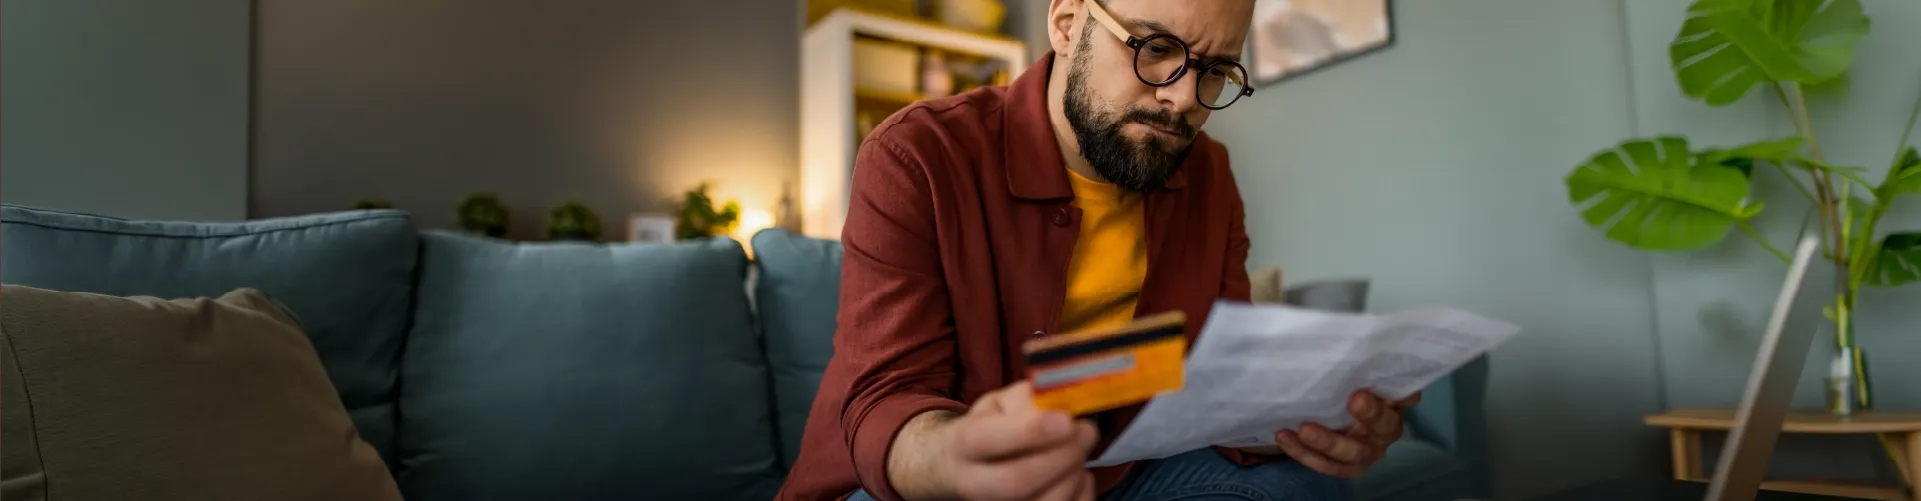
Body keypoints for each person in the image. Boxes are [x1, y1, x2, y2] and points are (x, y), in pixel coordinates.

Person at [777, 1, 1419, 500]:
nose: (1184, 99)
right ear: (1066, 24)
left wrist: (1312, 425)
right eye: (1157, 49)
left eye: (1216, 71)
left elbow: (1215, 376)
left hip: (1115, 466)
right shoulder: (915, 155)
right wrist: (960, 455)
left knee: (1307, 486)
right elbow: (887, 398)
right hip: (911, 481)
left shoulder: (1209, 174)